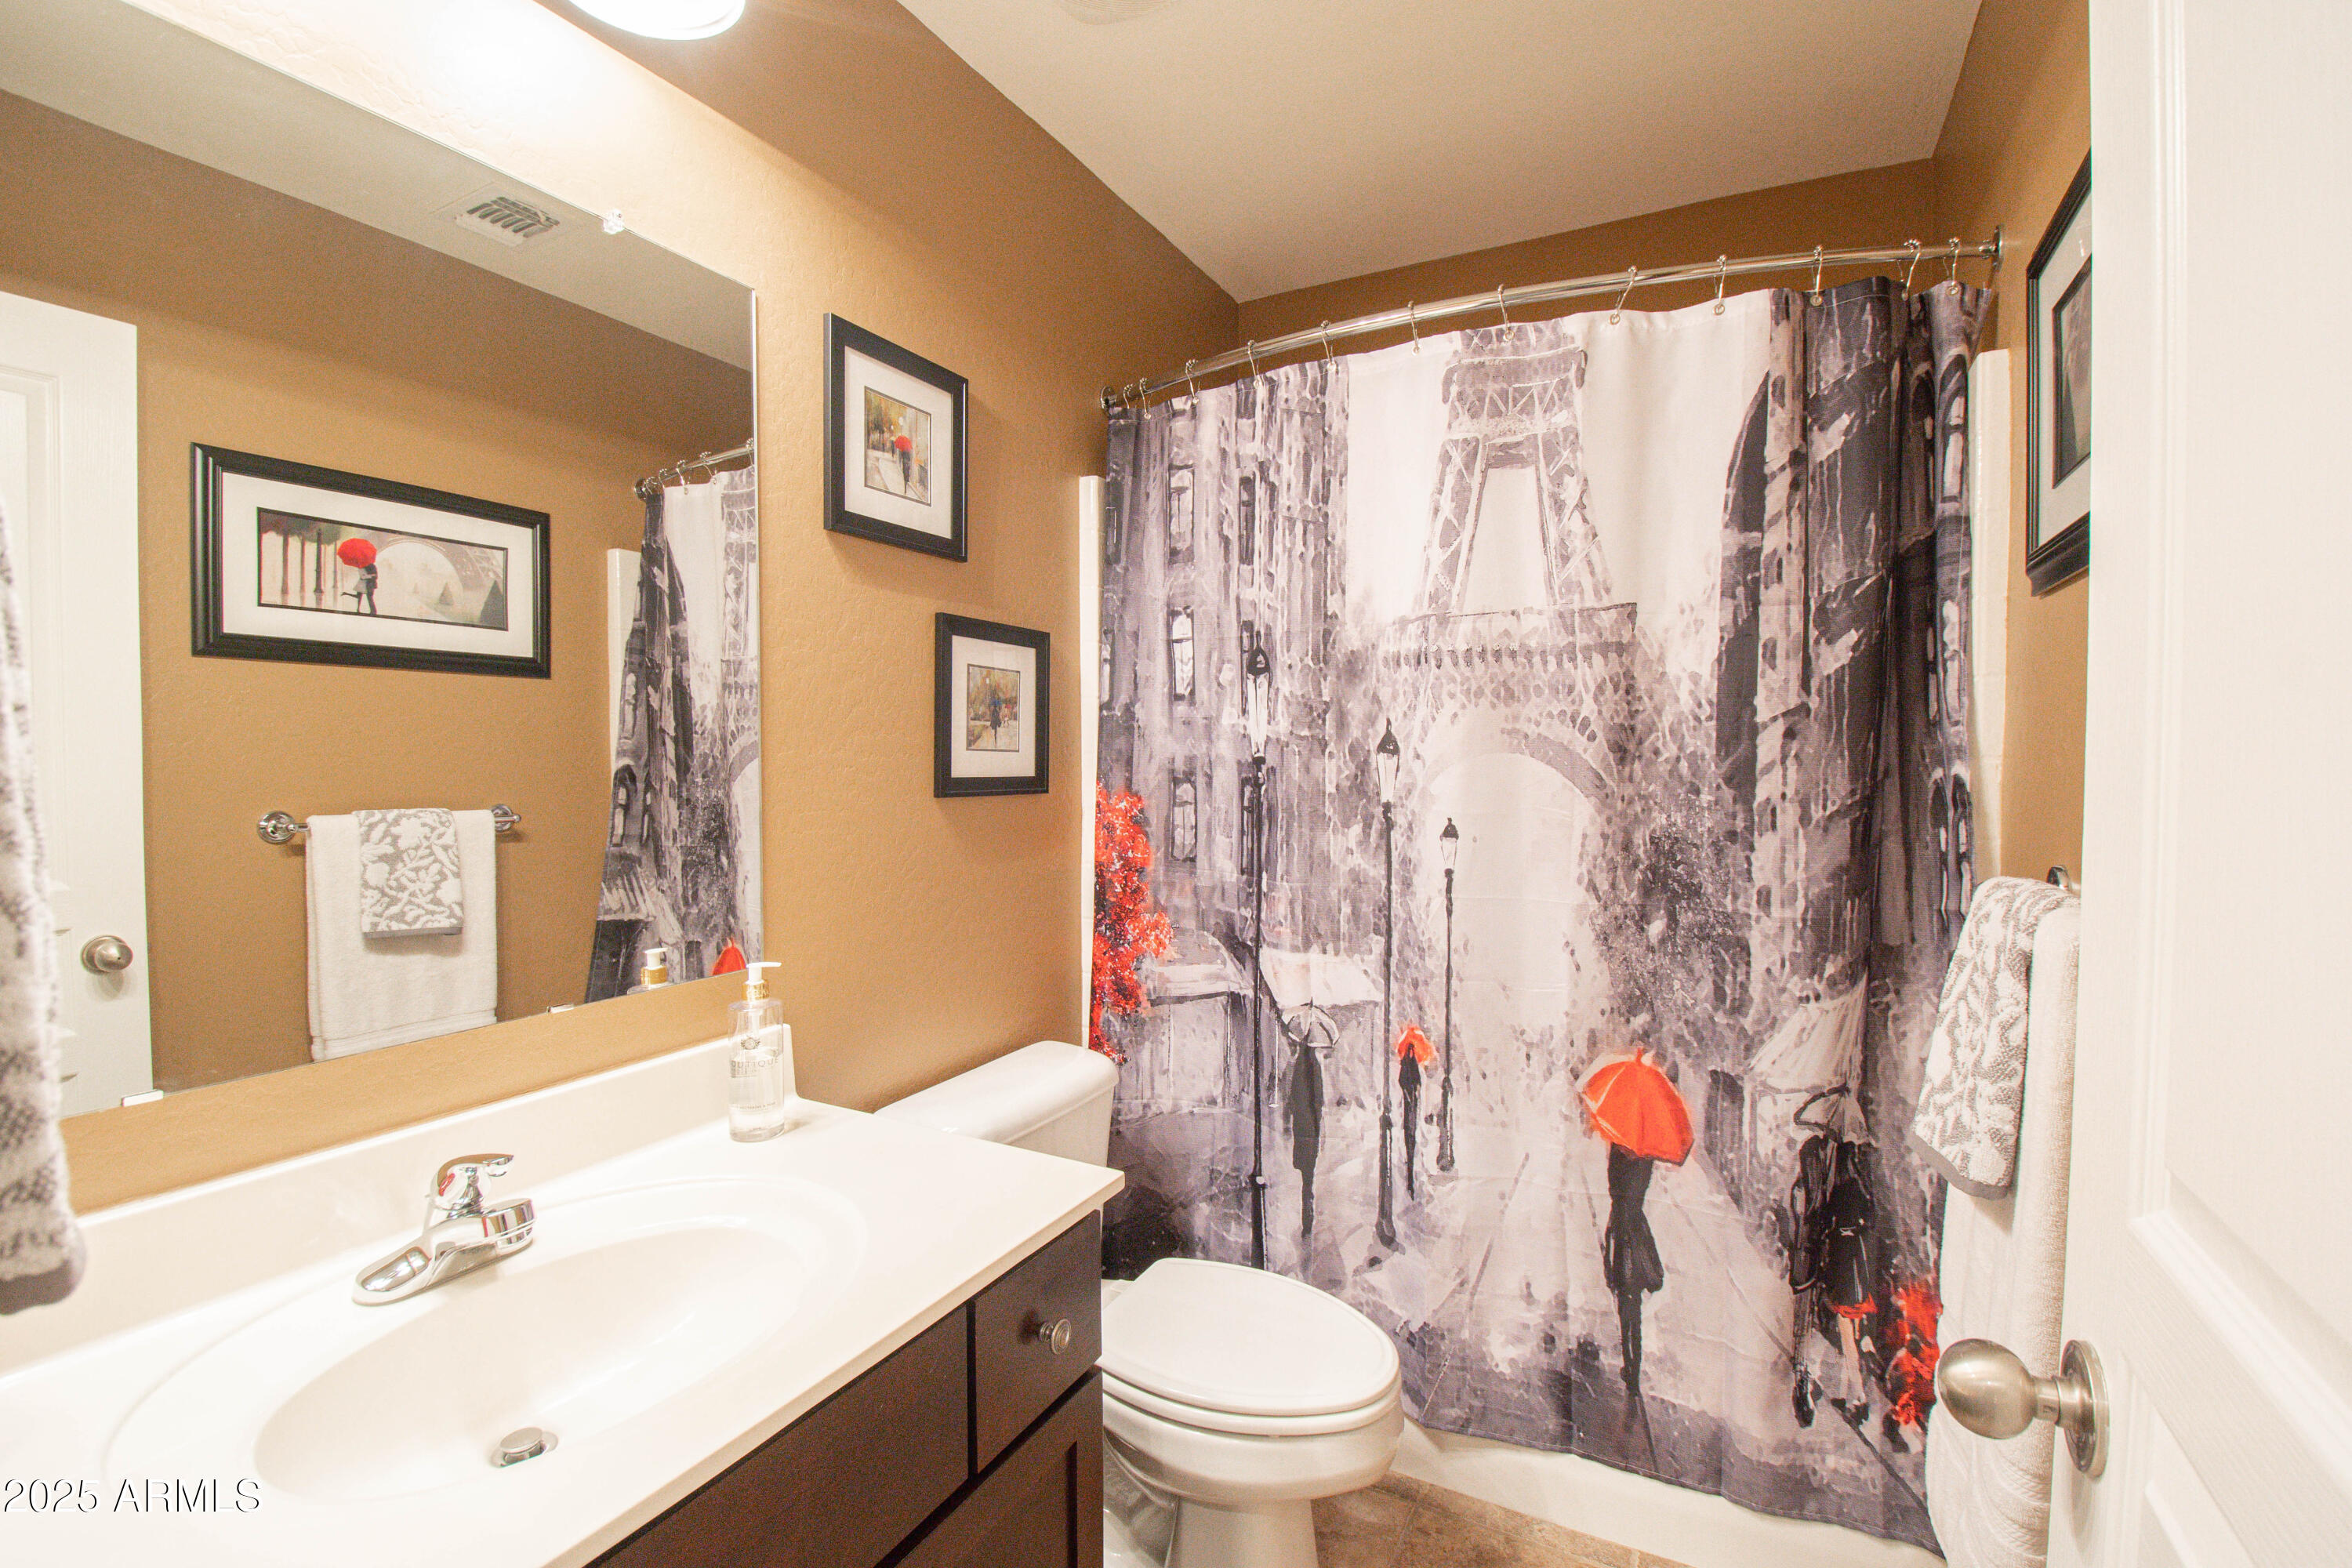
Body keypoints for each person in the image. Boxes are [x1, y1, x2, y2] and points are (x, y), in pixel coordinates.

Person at [1602, 1145, 1665, 1396]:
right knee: (1634, 1304)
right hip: (1638, 1230)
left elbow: (1613, 1189)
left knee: (1624, 1302)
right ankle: (1634, 1368)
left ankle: (1630, 1366)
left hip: (1622, 1230)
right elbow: (1640, 1189)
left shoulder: (1619, 1148)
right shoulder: (1648, 1155)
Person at [1285, 1026, 1324, 1243]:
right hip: (1311, 1127)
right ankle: (1307, 1214)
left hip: (1301, 1127)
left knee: (1305, 1174)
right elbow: (1318, 1099)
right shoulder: (1314, 1067)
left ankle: (1306, 1214)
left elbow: (1292, 1099)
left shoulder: (1298, 1067)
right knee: (1309, 1174)